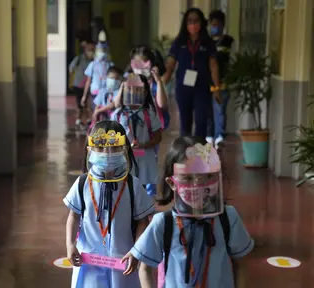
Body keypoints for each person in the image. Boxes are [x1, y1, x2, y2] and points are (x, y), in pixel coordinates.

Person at [121, 137, 254, 288]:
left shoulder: (228, 218)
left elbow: (241, 265)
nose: (197, 185)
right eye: (188, 178)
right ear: (172, 183)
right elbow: (145, 269)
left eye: (207, 176)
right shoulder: (164, 223)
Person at [64, 120, 154, 288]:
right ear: (90, 148)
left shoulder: (132, 185)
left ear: (124, 148)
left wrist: (137, 251)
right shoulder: (82, 183)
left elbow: (143, 221)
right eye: (100, 147)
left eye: (114, 146)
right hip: (89, 262)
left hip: (123, 260)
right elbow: (74, 216)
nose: (107, 153)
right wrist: (70, 244)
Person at [162, 8, 221, 138]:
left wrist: (217, 88)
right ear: (185, 23)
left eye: (196, 21)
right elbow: (170, 66)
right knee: (185, 122)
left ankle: (200, 152)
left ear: (201, 23)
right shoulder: (179, 42)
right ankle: (185, 152)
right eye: (190, 21)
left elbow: (213, 66)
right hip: (183, 88)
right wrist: (160, 86)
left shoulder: (208, 43)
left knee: (201, 121)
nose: (193, 25)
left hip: (202, 87)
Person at [111, 74, 162, 197]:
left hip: (144, 157)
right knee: (124, 187)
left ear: (145, 93)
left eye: (138, 90)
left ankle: (141, 212)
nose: (133, 93)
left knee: (141, 188)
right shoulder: (118, 115)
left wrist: (144, 145)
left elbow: (158, 137)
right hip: (124, 158)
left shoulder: (149, 114)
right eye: (129, 89)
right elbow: (112, 138)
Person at [206, 10, 235, 148]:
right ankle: (209, 136)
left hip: (223, 82)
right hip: (206, 82)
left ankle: (219, 137)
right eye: (212, 24)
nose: (214, 27)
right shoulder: (205, 41)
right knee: (208, 112)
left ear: (223, 25)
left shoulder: (228, 41)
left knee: (220, 110)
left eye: (217, 24)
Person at [81, 42, 114, 123]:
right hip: (95, 93)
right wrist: (84, 96)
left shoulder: (110, 65)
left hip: (107, 94)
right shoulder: (92, 64)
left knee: (106, 113)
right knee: (95, 113)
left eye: (104, 50)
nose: (102, 52)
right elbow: (88, 81)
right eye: (100, 50)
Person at [69, 40, 96, 128]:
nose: (91, 51)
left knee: (89, 103)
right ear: (85, 49)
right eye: (89, 49)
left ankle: (89, 119)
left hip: (89, 85)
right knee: (79, 103)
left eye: (93, 49)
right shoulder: (79, 58)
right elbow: (71, 68)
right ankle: (79, 120)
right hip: (79, 85)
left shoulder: (95, 61)